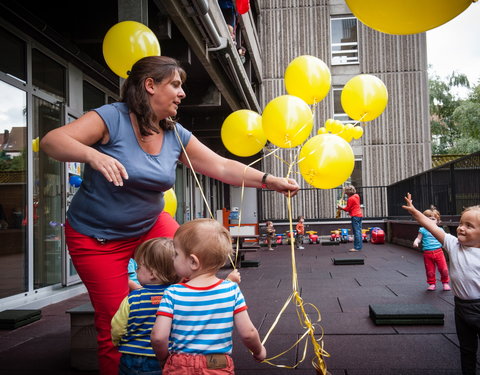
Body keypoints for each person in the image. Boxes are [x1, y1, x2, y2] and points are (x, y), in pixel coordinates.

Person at [39, 55, 298, 375]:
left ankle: (197, 332)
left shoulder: (174, 134)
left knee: (196, 261)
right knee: (116, 322)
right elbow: (53, 141)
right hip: (96, 237)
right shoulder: (112, 118)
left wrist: (269, 180)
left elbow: (218, 165)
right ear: (150, 86)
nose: (182, 93)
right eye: (175, 85)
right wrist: (92, 154)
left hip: (150, 224)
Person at [151, 218, 266, 372]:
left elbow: (158, 337)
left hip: (179, 363)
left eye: (176, 254)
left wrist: (164, 358)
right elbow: (248, 333)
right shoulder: (231, 290)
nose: (173, 258)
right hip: (217, 364)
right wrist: (259, 351)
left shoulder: (172, 293)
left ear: (193, 262)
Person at [403, 194, 480, 375]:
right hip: (461, 307)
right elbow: (430, 225)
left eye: (469, 226)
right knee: (467, 348)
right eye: (461, 223)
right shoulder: (453, 244)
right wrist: (415, 211)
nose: (461, 228)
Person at [111, 238, 180, 375]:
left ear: (153, 274)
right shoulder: (178, 297)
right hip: (167, 355)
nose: (136, 271)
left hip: (131, 356)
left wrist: (116, 342)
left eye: (139, 267)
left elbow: (118, 327)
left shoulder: (133, 299)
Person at [412, 206, 451, 291]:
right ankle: (432, 283)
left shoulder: (440, 230)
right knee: (430, 270)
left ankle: (445, 282)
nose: (430, 221)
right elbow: (419, 238)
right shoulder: (423, 230)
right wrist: (416, 242)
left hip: (439, 252)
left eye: (433, 219)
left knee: (443, 269)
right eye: (428, 219)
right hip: (427, 253)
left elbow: (445, 239)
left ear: (438, 220)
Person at [337, 185, 363, 252]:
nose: (345, 194)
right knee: (359, 231)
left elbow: (347, 209)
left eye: (346, 192)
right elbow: (354, 206)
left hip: (355, 216)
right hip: (359, 215)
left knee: (356, 232)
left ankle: (357, 247)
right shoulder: (357, 196)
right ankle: (359, 246)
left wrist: (341, 208)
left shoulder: (350, 199)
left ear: (348, 193)